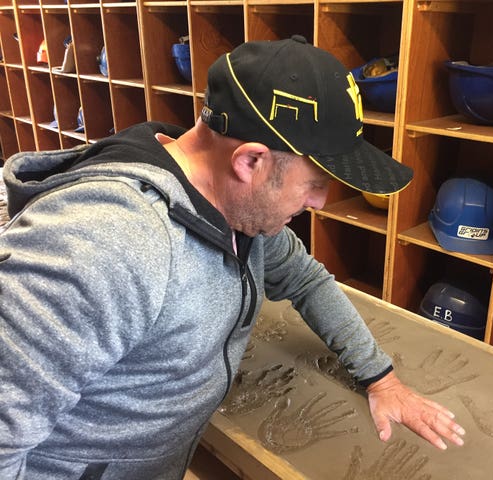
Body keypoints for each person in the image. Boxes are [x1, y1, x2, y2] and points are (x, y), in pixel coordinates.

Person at [0, 35, 464, 479]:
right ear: (251, 161)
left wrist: (381, 380)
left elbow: (305, 280)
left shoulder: (237, 212)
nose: (321, 202)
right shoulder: (104, 245)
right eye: (316, 183)